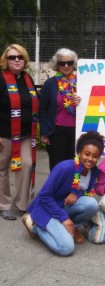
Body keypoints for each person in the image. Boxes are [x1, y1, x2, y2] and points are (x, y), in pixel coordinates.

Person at [21, 131, 104, 256]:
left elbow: (86, 192)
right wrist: (64, 218)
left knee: (92, 204)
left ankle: (70, 227)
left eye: (95, 156)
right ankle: (35, 225)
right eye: (87, 154)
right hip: (46, 208)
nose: (90, 159)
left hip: (63, 206)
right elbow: (44, 195)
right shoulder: (64, 168)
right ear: (79, 152)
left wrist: (77, 193)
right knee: (66, 248)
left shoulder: (94, 172)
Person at [0, 44, 39, 220]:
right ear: (5, 60)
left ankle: (21, 204)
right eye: (12, 57)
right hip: (4, 135)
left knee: (26, 165)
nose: (16, 60)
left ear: (24, 60)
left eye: (19, 57)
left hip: (24, 135)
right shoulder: (1, 78)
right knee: (2, 169)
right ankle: (4, 204)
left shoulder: (27, 79)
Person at [39, 48, 81, 171]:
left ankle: (70, 190)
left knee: (75, 166)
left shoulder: (82, 82)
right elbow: (43, 110)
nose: (66, 65)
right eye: (62, 63)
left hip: (77, 132)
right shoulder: (50, 84)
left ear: (74, 64)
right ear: (57, 65)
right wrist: (44, 132)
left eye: (70, 62)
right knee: (57, 167)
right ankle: (56, 190)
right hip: (56, 132)